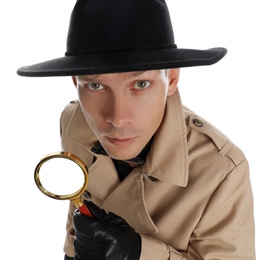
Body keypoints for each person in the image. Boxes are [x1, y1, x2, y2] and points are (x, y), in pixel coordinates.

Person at [17, 0, 255, 259]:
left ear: (172, 79)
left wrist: (139, 254)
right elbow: (77, 218)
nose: (118, 118)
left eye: (141, 84)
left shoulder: (221, 169)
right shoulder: (74, 121)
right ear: (75, 81)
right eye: (95, 86)